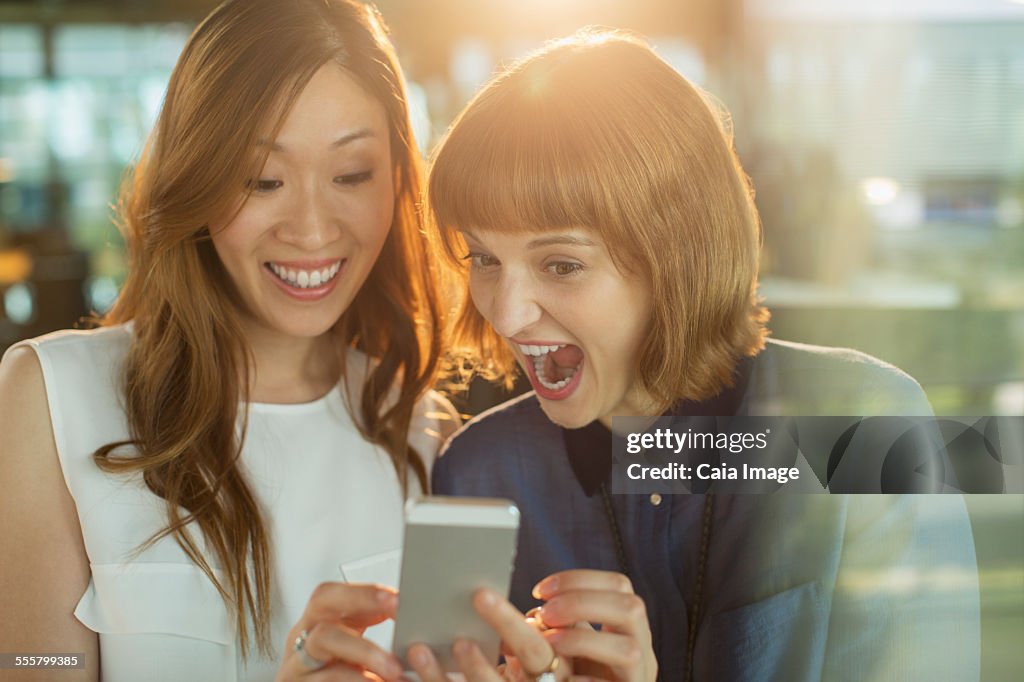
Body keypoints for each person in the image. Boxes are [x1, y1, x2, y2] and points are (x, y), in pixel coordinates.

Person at [423, 30, 980, 681]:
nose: (506, 312)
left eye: (562, 264)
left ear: (677, 257)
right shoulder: (476, 476)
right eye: (485, 258)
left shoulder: (868, 430)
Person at [0, 1, 460, 679]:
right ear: (197, 180)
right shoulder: (52, 400)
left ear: (396, 181)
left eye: (351, 175)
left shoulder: (425, 430)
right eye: (262, 181)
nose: (311, 229)